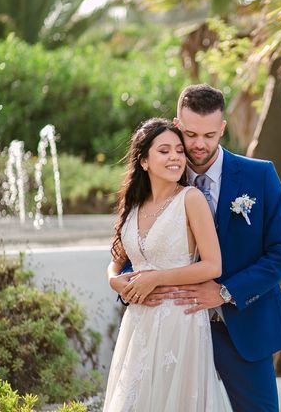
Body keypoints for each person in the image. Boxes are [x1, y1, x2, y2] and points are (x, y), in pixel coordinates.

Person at [141, 84, 281, 411]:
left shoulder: (260, 176)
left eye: (210, 135)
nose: (199, 144)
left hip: (243, 327)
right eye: (191, 133)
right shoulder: (158, 175)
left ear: (223, 128)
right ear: (176, 123)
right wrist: (125, 281)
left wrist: (226, 292)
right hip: (174, 328)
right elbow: (135, 245)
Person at [103, 118, 232, 411]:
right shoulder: (133, 205)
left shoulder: (191, 199)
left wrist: (157, 278)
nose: (175, 157)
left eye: (178, 150)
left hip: (180, 321)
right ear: (144, 160)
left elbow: (213, 266)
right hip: (138, 323)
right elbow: (116, 260)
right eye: (164, 151)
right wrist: (113, 280)